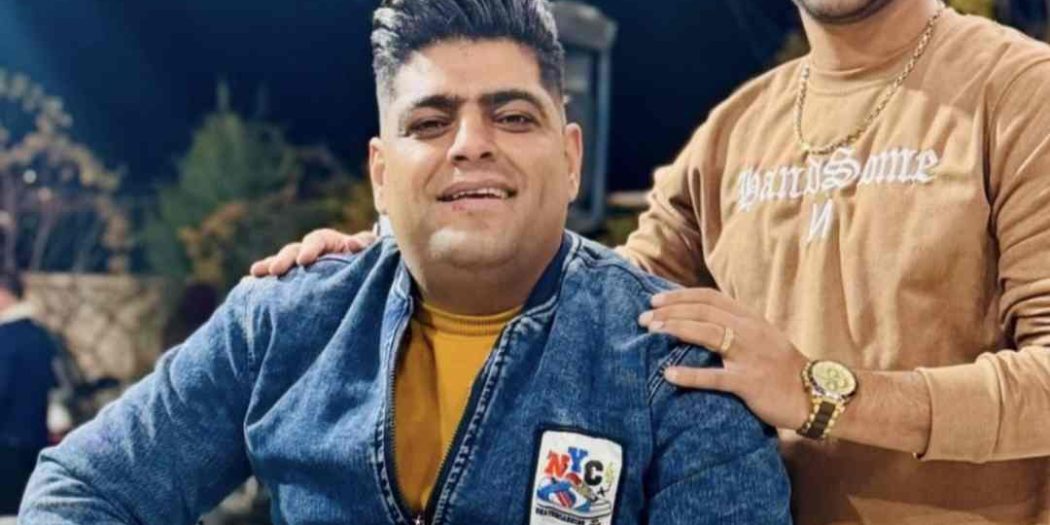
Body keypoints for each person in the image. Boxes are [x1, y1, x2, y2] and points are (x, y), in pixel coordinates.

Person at [254, 0, 1050, 523]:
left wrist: (819, 392)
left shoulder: (1020, 92)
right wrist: (388, 262)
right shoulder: (736, 128)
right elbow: (593, 301)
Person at [19, 1, 792, 523]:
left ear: (570, 158)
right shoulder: (284, 319)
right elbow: (81, 487)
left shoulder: (674, 365)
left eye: (512, 115)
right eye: (430, 122)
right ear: (382, 174)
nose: (471, 143)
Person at [0, 272, 56, 515]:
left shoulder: (5, 338)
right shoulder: (41, 335)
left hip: (5, 442)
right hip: (35, 438)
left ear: (3, 294)